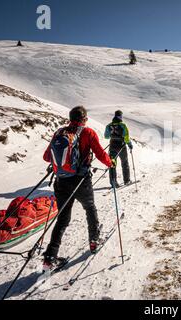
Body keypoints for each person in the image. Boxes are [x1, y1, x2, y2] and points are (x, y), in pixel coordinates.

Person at [42, 106, 115, 269]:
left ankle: (49, 258)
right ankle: (94, 241)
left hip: (61, 181)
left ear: (71, 118)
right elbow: (100, 154)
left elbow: (47, 156)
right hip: (81, 181)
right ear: (83, 119)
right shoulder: (88, 133)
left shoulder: (60, 132)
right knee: (89, 208)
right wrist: (111, 163)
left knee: (62, 218)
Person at [104, 110, 133, 188]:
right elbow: (126, 137)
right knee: (124, 163)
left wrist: (112, 135)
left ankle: (113, 182)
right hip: (121, 146)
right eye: (121, 116)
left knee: (112, 164)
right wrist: (129, 144)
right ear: (120, 116)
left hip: (112, 145)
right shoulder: (123, 125)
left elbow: (106, 136)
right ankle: (127, 180)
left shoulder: (109, 125)